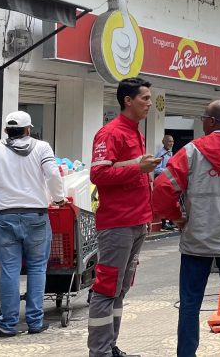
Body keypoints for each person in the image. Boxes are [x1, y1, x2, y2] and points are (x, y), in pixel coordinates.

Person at [152, 100, 220, 357]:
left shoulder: (190, 152)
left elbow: (162, 189)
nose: (202, 122)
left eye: (204, 118)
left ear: (212, 122)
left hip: (197, 239)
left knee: (190, 304)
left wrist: (176, 217)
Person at [0, 111, 67, 337]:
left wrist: (0, 202)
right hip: (36, 216)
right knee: (37, 268)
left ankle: (7, 325)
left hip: (5, 217)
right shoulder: (42, 148)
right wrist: (58, 198)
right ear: (28, 129)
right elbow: (53, 176)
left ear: (6, 130)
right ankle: (35, 322)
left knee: (10, 270)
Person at [88, 77, 161, 357]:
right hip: (117, 224)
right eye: (144, 98)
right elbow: (98, 174)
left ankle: (110, 346)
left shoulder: (136, 132)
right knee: (106, 289)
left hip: (136, 222)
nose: (149, 104)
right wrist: (138, 169)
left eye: (150, 98)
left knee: (120, 290)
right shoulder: (111, 133)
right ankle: (100, 352)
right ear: (127, 101)